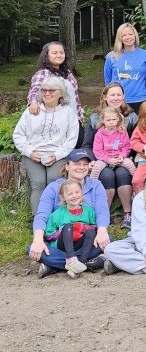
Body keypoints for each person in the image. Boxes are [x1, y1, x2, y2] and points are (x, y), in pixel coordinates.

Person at [28, 149, 112, 277]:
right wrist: (38, 239)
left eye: (85, 164)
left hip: (86, 241)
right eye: (77, 164)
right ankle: (89, 263)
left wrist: (101, 231)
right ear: (67, 166)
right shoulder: (53, 187)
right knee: (33, 248)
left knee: (108, 240)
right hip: (61, 242)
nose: (81, 167)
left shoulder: (96, 185)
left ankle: (55, 265)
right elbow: (42, 215)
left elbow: (102, 211)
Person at [13, 76, 79, 213]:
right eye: (44, 90)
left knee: (54, 181)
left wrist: (57, 155)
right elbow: (18, 135)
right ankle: (39, 219)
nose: (47, 93)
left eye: (51, 90)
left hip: (57, 155)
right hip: (33, 154)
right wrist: (30, 152)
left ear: (60, 93)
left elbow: (71, 139)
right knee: (38, 183)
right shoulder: (31, 111)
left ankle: (56, 218)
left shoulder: (68, 113)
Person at [43, 179, 98, 277]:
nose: (74, 196)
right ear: (63, 197)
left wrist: (82, 228)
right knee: (68, 226)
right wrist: (63, 231)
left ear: (82, 193)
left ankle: (81, 263)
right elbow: (48, 236)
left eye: (77, 192)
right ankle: (71, 260)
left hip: (80, 244)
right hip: (63, 246)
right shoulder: (56, 215)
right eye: (70, 194)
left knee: (92, 233)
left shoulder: (89, 211)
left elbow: (94, 227)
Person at [91, 106, 134, 225]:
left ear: (118, 119)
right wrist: (107, 159)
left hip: (119, 157)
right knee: (97, 168)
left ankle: (136, 186)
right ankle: (91, 187)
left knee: (129, 164)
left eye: (114, 120)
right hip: (105, 158)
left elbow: (126, 146)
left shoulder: (122, 131)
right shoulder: (100, 134)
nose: (111, 123)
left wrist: (122, 156)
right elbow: (97, 151)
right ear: (103, 120)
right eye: (108, 120)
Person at [26, 42, 83, 124]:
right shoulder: (43, 73)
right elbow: (35, 90)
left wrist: (80, 112)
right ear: (46, 55)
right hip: (55, 121)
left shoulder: (67, 73)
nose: (59, 55)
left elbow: (75, 96)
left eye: (61, 52)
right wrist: (33, 102)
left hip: (74, 119)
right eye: (54, 53)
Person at [103, 23, 146, 111]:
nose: (128, 37)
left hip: (139, 100)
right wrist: (113, 95)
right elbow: (108, 80)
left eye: (130, 34)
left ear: (135, 35)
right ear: (120, 38)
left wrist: (142, 91)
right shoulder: (111, 56)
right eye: (124, 35)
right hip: (117, 101)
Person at [83, 85, 138, 159]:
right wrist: (91, 160)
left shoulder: (131, 117)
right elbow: (87, 145)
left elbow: (136, 141)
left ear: (123, 97)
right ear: (105, 97)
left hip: (124, 158)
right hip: (100, 159)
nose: (116, 98)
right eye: (112, 95)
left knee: (122, 171)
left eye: (119, 95)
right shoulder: (95, 117)